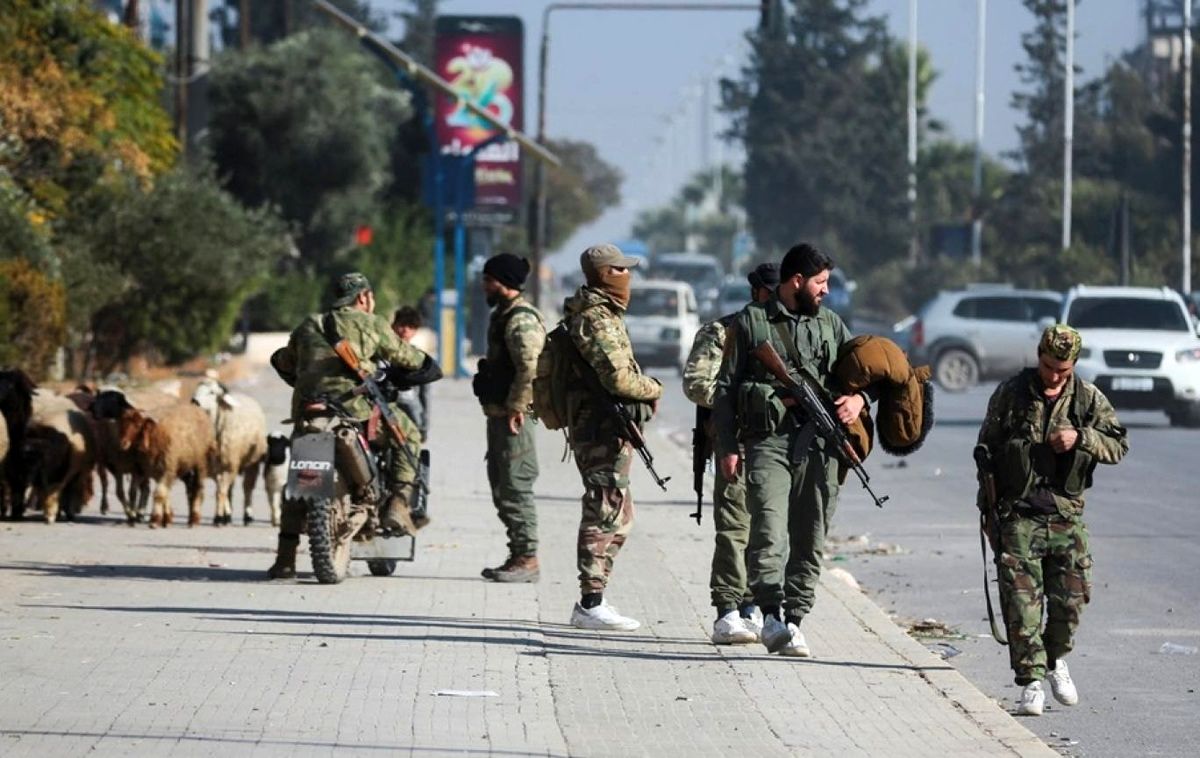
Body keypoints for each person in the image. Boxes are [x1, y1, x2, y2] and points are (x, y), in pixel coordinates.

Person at [712, 243, 865, 657]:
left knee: (810, 534)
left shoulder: (831, 324)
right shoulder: (752, 321)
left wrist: (858, 401)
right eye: (820, 283)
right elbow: (724, 389)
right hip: (768, 442)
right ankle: (771, 613)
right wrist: (726, 446)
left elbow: (861, 374)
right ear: (796, 281)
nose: (826, 291)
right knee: (767, 528)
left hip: (819, 444)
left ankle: (795, 620)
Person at [976, 324, 1128, 716]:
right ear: (1038, 357)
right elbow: (985, 452)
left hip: (1065, 516)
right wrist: (988, 513)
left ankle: (1055, 658)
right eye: (1047, 366)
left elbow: (1118, 445)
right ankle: (1030, 683)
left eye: (1062, 369)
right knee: (1022, 606)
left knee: (1071, 603)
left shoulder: (1088, 399)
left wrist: (1082, 438)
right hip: (1019, 516)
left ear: (1073, 364)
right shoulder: (1011, 395)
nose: (1053, 376)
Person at [267, 272, 432, 579]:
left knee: (299, 481)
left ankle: (285, 560)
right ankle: (397, 503)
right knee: (408, 433)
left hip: (309, 412)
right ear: (363, 298)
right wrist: (426, 366)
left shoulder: (309, 325)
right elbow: (406, 356)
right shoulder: (371, 323)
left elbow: (284, 362)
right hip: (353, 411)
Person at [562, 243, 663, 631]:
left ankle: (596, 595)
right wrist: (653, 388)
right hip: (599, 427)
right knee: (604, 507)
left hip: (606, 426)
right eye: (622, 270)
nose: (629, 277)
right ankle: (590, 602)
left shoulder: (602, 314)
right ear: (607, 275)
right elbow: (618, 378)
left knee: (620, 513)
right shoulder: (597, 319)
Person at [682, 262, 779, 645]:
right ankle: (726, 610)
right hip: (735, 441)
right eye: (771, 294)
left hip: (774, 447)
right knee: (734, 529)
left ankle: (753, 604)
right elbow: (696, 384)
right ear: (757, 292)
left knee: (768, 531)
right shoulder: (722, 332)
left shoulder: (786, 333)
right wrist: (743, 403)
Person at [474, 254, 546, 583]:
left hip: (514, 417)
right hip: (499, 415)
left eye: (488, 280)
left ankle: (527, 558)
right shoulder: (502, 315)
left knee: (515, 486)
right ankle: (518, 552)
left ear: (503, 283)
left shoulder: (520, 320)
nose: (484, 286)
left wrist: (517, 407)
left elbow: (530, 368)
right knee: (501, 486)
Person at [392, 306, 429, 437]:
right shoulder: (381, 353)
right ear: (394, 326)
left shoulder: (418, 357)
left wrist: (424, 424)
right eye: (402, 325)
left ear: (415, 331)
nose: (405, 330)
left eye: (411, 327)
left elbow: (424, 394)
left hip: (411, 412)